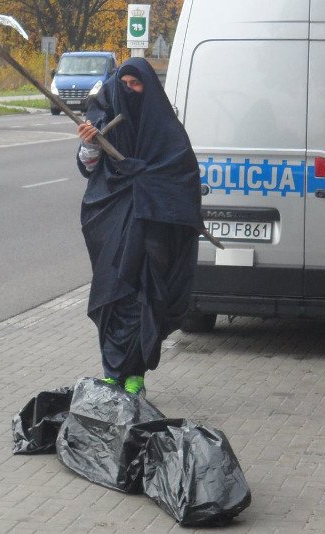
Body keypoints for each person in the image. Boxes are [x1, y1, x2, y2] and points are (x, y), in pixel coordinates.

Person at [76, 57, 203, 397]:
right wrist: (90, 142)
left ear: (149, 88)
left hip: (152, 231)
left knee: (141, 298)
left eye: (137, 84)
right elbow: (89, 167)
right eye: (125, 83)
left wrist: (144, 174)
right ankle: (112, 372)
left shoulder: (167, 132)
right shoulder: (104, 121)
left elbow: (182, 177)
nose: (129, 90)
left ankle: (134, 375)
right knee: (111, 296)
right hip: (111, 221)